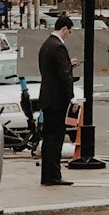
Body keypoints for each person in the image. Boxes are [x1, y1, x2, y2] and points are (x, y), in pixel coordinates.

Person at [38, 14, 78, 186]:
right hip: (57, 100)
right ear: (64, 29)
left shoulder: (47, 45)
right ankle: (54, 175)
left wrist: (68, 64)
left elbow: (54, 70)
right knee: (56, 138)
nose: (69, 34)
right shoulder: (59, 47)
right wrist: (72, 98)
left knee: (48, 138)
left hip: (47, 97)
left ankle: (47, 175)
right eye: (69, 31)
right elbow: (64, 76)